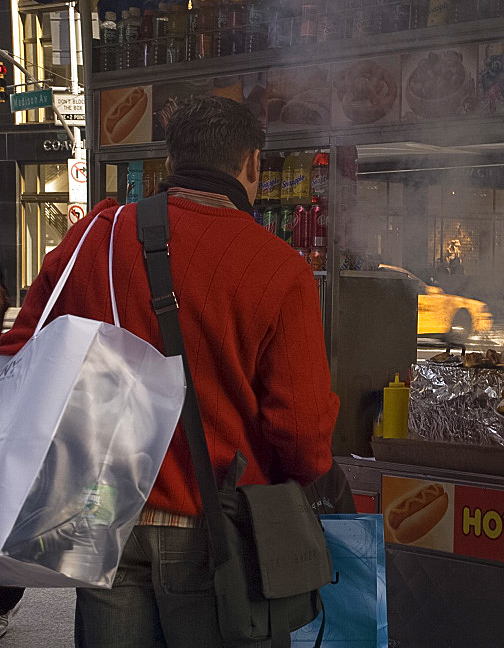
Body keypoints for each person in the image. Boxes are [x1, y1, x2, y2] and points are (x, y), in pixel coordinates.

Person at [0, 96, 340, 647]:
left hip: (103, 524)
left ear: (168, 165)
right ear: (252, 165)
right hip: (218, 535)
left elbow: (22, 352)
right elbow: (300, 434)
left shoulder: (95, 239)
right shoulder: (281, 272)